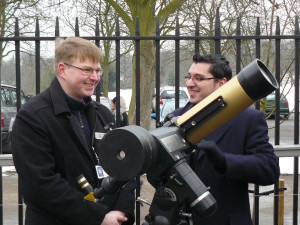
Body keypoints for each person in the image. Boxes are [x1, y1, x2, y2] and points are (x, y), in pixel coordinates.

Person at [11, 37, 136, 225]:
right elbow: (41, 185)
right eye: (86, 70)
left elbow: (126, 167)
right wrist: (98, 217)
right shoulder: (33, 117)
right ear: (63, 69)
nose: (94, 77)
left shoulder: (102, 114)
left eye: (97, 70)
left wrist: (120, 210)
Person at [171, 53, 280, 225]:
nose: (189, 84)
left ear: (221, 83)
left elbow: (269, 171)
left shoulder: (249, 120)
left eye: (198, 78)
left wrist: (224, 162)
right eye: (189, 77)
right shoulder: (175, 118)